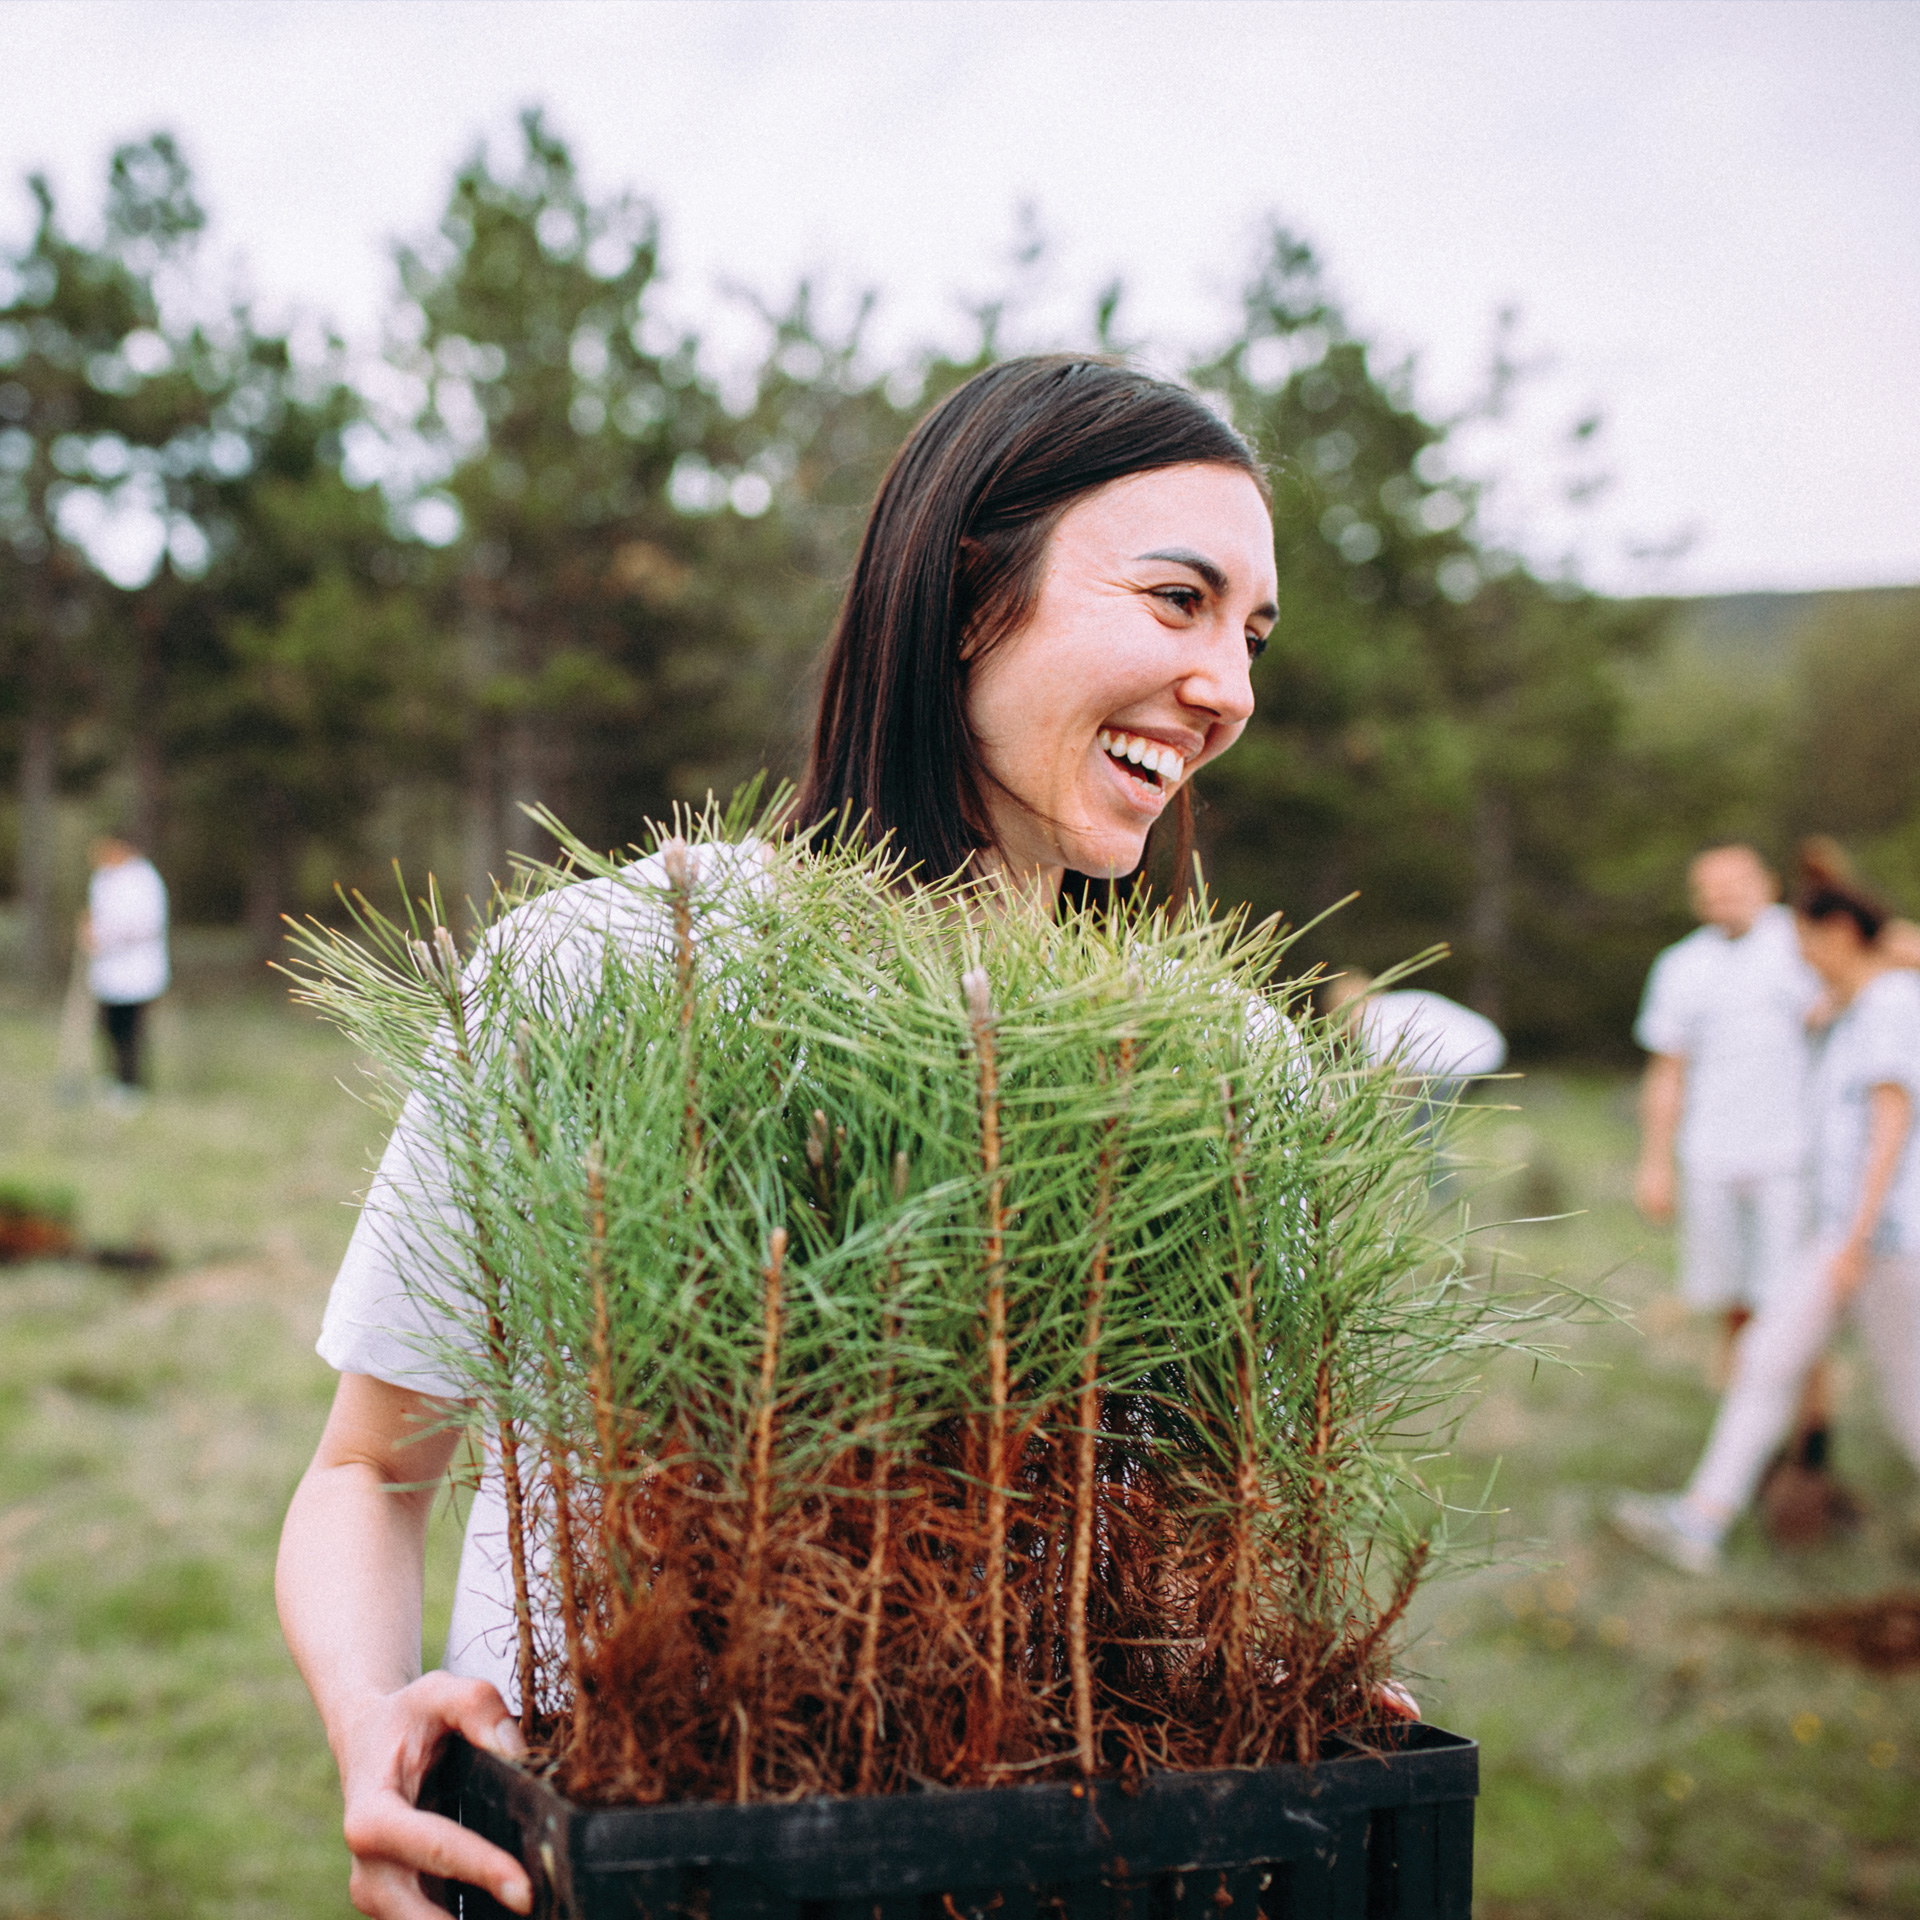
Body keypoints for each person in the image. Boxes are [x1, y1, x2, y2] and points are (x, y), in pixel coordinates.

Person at [277, 358, 1296, 1919]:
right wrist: (370, 1728)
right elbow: (368, 1470)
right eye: (1178, 601)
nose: (1226, 683)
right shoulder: (610, 973)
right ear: (968, 596)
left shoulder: (1229, 1075)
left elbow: (1203, 1565)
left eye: (1251, 634)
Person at [1613, 858, 1920, 1573]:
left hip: (1884, 1240)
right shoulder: (1851, 1009)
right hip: (1844, 1234)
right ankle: (1701, 1520)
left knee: (1911, 1404)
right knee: (1765, 1357)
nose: (1803, 961)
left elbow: (1890, 1124)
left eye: (1812, 945)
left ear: (1840, 934)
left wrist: (1856, 1238)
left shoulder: (1891, 1005)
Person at [1632, 847, 1825, 1424]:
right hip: (1712, 1154)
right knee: (1731, 1298)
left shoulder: (1805, 942)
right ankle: (1748, 1429)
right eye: (1710, 888)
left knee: (1792, 1303)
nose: (1724, 897)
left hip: (1792, 1153)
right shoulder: (1680, 965)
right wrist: (1655, 1161)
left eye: (1736, 884)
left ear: (1767, 884)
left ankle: (1809, 1436)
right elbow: (1668, 1069)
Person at [80, 834, 170, 1104]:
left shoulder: (143, 879)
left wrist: (105, 936)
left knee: (131, 1030)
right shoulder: (103, 878)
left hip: (136, 970)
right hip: (108, 971)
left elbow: (145, 924)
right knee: (109, 1026)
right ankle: (115, 1078)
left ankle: (132, 1085)